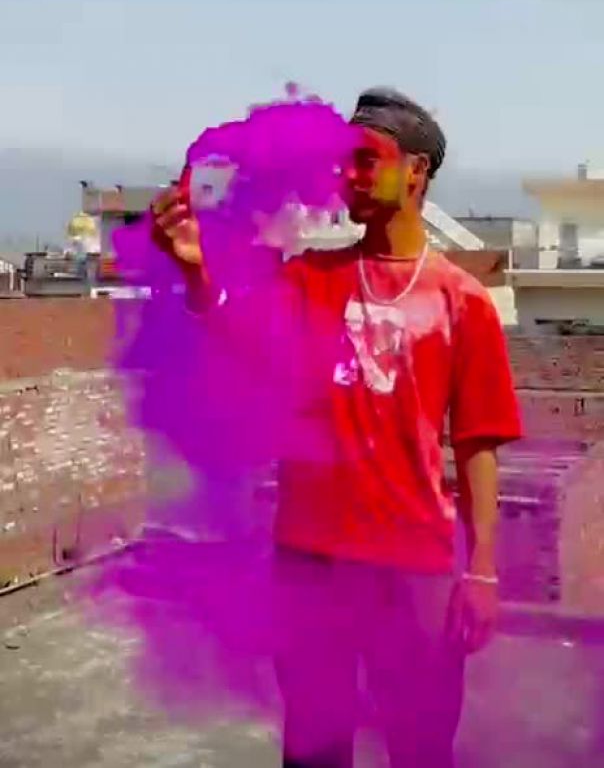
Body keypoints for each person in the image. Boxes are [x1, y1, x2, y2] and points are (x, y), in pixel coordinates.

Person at [151, 87, 522, 768]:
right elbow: (242, 344)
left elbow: (479, 444)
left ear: (416, 171)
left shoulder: (462, 303)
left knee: (420, 745)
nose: (346, 175)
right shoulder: (310, 279)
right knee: (314, 746)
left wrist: (483, 573)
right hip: (310, 564)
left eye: (366, 160)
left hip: (413, 569)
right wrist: (196, 273)